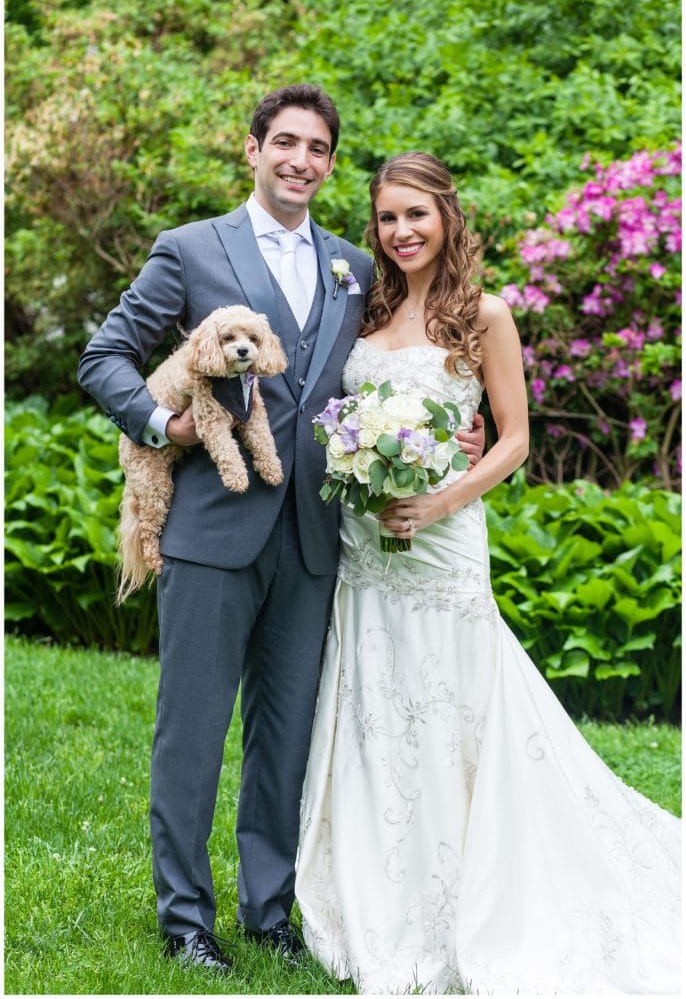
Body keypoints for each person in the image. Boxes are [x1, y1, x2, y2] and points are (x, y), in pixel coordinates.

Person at [77, 84, 486, 975]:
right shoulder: (190, 250)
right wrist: (164, 426)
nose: (303, 160)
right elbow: (102, 355)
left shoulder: (353, 265)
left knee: (287, 738)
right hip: (211, 534)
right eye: (286, 143)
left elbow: (393, 373)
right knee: (191, 733)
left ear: (332, 163)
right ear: (253, 149)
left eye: (319, 149)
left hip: (315, 541)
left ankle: (269, 912)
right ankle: (187, 921)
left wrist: (460, 429)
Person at [295, 152, 681, 994]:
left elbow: (514, 439)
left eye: (417, 215)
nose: (401, 232)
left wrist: (443, 498)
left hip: (443, 543)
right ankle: (382, 876)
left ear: (448, 217)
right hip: (366, 552)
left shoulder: (487, 315)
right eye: (388, 218)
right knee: (378, 703)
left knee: (459, 701)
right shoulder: (363, 310)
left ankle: (479, 882)